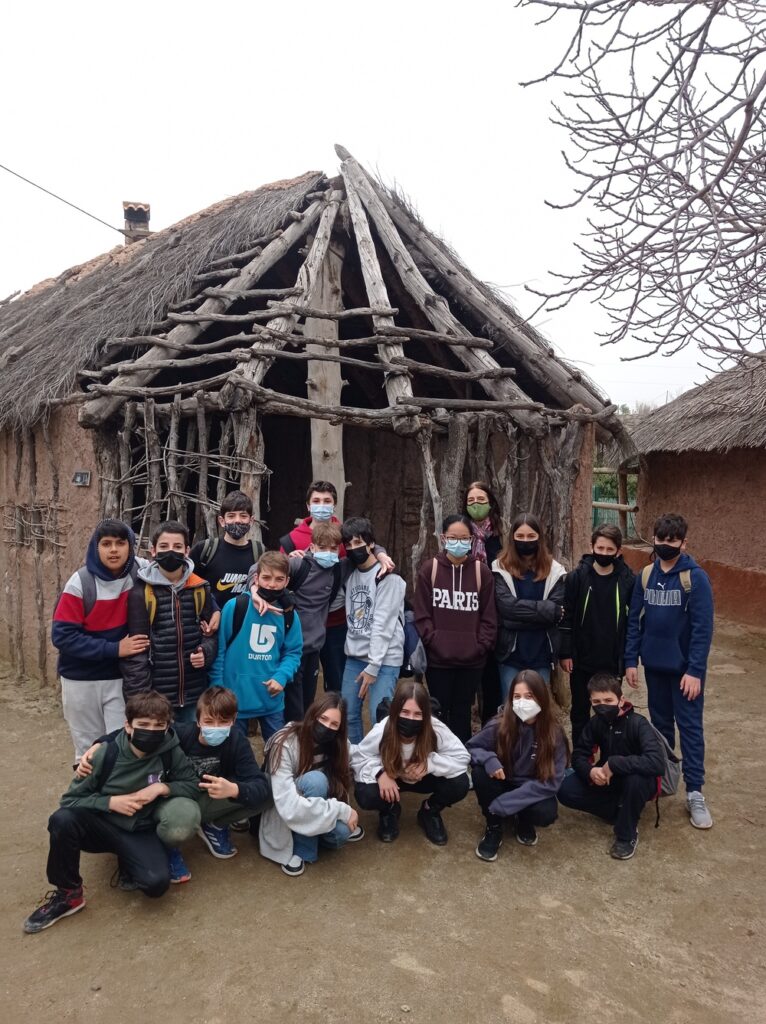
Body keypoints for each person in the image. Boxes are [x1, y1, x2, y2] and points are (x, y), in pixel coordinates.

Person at [23, 691, 201, 933]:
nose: (151, 731)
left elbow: (192, 784)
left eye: (158, 725)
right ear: (128, 726)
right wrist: (110, 802)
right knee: (62, 820)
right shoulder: (105, 754)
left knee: (156, 885)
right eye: (143, 725)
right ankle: (68, 894)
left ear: (167, 726)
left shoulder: (170, 749)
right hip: (102, 824)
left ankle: (128, 859)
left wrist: (162, 787)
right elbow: (70, 800)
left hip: (139, 827)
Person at [76, 686, 272, 875]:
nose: (215, 727)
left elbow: (259, 784)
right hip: (177, 796)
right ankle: (170, 845)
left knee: (270, 792)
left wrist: (235, 790)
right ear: (197, 720)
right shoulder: (180, 733)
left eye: (223, 722)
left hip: (212, 796)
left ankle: (215, 826)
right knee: (181, 821)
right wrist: (100, 743)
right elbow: (134, 731)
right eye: (209, 721)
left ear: (234, 720)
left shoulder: (237, 741)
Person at [624, 513, 715, 830]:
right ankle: (664, 779)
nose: (665, 545)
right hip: (655, 667)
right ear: (654, 539)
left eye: (672, 540)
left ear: (683, 543)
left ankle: (695, 792)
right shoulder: (646, 575)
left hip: (685, 672)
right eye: (660, 539)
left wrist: (695, 670)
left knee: (690, 729)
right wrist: (631, 660)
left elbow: (703, 629)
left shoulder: (695, 578)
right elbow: (634, 621)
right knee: (660, 727)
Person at [52, 519, 150, 763]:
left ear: (130, 546)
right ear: (96, 547)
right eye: (106, 544)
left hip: (119, 677)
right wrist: (115, 648)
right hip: (80, 679)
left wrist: (212, 609)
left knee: (121, 745)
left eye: (120, 543)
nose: (114, 550)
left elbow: (178, 578)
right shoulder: (80, 583)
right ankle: (87, 787)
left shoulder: (141, 571)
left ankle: (116, 788)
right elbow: (63, 636)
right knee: (87, 750)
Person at [558, 673, 666, 860]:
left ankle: (626, 834)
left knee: (635, 780)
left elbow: (657, 763)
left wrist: (615, 763)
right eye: (597, 702)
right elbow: (579, 755)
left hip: (638, 781)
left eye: (608, 700)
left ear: (621, 700)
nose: (603, 706)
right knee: (565, 789)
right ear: (591, 702)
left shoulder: (638, 723)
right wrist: (591, 771)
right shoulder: (595, 723)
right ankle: (619, 812)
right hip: (608, 780)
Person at [351, 680, 470, 845]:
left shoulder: (435, 728)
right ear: (395, 711)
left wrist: (430, 764)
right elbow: (359, 756)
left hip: (424, 778)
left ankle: (430, 811)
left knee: (460, 783)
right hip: (393, 778)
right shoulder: (383, 729)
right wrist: (380, 773)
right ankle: (389, 809)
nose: (411, 719)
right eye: (405, 712)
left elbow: (462, 757)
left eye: (418, 714)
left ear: (426, 715)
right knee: (366, 794)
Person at [468, 669, 569, 861]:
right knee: (480, 773)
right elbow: (472, 748)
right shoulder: (499, 724)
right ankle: (494, 826)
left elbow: (552, 782)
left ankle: (524, 820)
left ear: (541, 697)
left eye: (529, 696)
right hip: (502, 780)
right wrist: (489, 759)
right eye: (517, 696)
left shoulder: (554, 733)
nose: (522, 702)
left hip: (530, 786)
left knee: (546, 813)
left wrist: (508, 803)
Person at [122, 520, 217, 723]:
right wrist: (141, 700)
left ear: (187, 551)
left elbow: (211, 633)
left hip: (194, 693)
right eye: (164, 546)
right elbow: (137, 652)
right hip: (157, 697)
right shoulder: (141, 592)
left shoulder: (200, 588)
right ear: (153, 551)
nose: (171, 552)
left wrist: (205, 652)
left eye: (177, 546)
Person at [259, 692, 363, 876]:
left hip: (316, 804)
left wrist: (381, 773)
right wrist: (342, 811)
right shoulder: (285, 742)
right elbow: (288, 805)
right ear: (312, 714)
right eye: (323, 718)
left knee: (342, 833)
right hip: (284, 811)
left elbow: (362, 757)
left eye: (334, 724)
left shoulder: (338, 743)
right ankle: (304, 850)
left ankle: (312, 832)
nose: (327, 727)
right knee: (316, 781)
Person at [413, 514, 496, 742]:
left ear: (471, 540)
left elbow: (489, 617)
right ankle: (436, 753)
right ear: (443, 538)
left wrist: (480, 646)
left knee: (462, 713)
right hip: (438, 661)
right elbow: (422, 615)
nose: (458, 543)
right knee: (438, 712)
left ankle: (461, 757)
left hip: (472, 662)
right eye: (453, 537)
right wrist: (434, 641)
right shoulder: (429, 570)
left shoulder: (481, 572)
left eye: (464, 538)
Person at [209, 552, 303, 742]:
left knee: (277, 753)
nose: (272, 584)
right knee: (235, 753)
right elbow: (219, 651)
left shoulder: (289, 614)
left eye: (279, 579)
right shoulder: (236, 606)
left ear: (287, 581)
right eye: (266, 578)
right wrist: (217, 689)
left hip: (271, 701)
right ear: (256, 578)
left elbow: (293, 652)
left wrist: (281, 677)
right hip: (233, 700)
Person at [559, 524, 636, 745]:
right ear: (591, 546)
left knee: (609, 713)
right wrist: (565, 653)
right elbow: (566, 617)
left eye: (609, 549)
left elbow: (632, 623)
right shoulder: (576, 578)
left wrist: (628, 660)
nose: (604, 553)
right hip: (581, 660)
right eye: (600, 548)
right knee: (580, 712)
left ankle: (607, 757)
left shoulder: (628, 580)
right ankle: (580, 756)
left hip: (611, 661)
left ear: (618, 551)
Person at [340, 517, 407, 743]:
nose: (353, 548)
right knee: (348, 715)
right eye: (348, 544)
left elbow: (383, 624)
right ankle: (356, 759)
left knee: (380, 717)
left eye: (358, 542)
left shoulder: (388, 576)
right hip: (355, 656)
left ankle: (383, 761)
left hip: (384, 659)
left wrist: (374, 665)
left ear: (370, 544)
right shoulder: (349, 574)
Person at [280, 480, 348, 692]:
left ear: (334, 504)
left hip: (336, 622)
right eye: (316, 501)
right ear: (308, 506)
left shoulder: (346, 535)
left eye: (327, 501)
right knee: (301, 686)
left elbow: (367, 546)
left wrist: (381, 554)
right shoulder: (291, 540)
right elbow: (275, 573)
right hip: (303, 626)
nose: (322, 505)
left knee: (337, 683)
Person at [492, 512, 566, 697]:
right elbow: (506, 608)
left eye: (531, 536)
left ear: (539, 538)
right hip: (510, 654)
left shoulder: (555, 570)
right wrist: (545, 613)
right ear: (512, 538)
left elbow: (556, 612)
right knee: (510, 705)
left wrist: (514, 619)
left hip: (541, 653)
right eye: (520, 536)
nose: (526, 541)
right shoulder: (500, 568)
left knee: (538, 706)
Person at [463, 481, 505, 724]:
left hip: (496, 609)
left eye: (481, 500)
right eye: (471, 501)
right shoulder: (460, 532)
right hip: (466, 610)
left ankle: (491, 726)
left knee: (492, 675)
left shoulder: (502, 533)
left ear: (490, 502)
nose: (476, 505)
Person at [190, 490, 264, 606]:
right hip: (212, 617)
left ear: (251, 521)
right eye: (231, 516)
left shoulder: (260, 553)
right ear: (222, 521)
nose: (237, 520)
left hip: (248, 617)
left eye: (243, 516)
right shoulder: (204, 550)